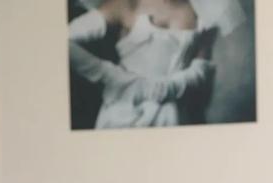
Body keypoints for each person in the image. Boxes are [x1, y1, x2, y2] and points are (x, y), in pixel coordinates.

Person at [68, 0, 245, 127]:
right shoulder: (125, 4)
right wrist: (109, 76)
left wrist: (166, 88)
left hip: (174, 117)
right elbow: (63, 41)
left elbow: (201, 69)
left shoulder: (201, 7)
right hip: (125, 114)